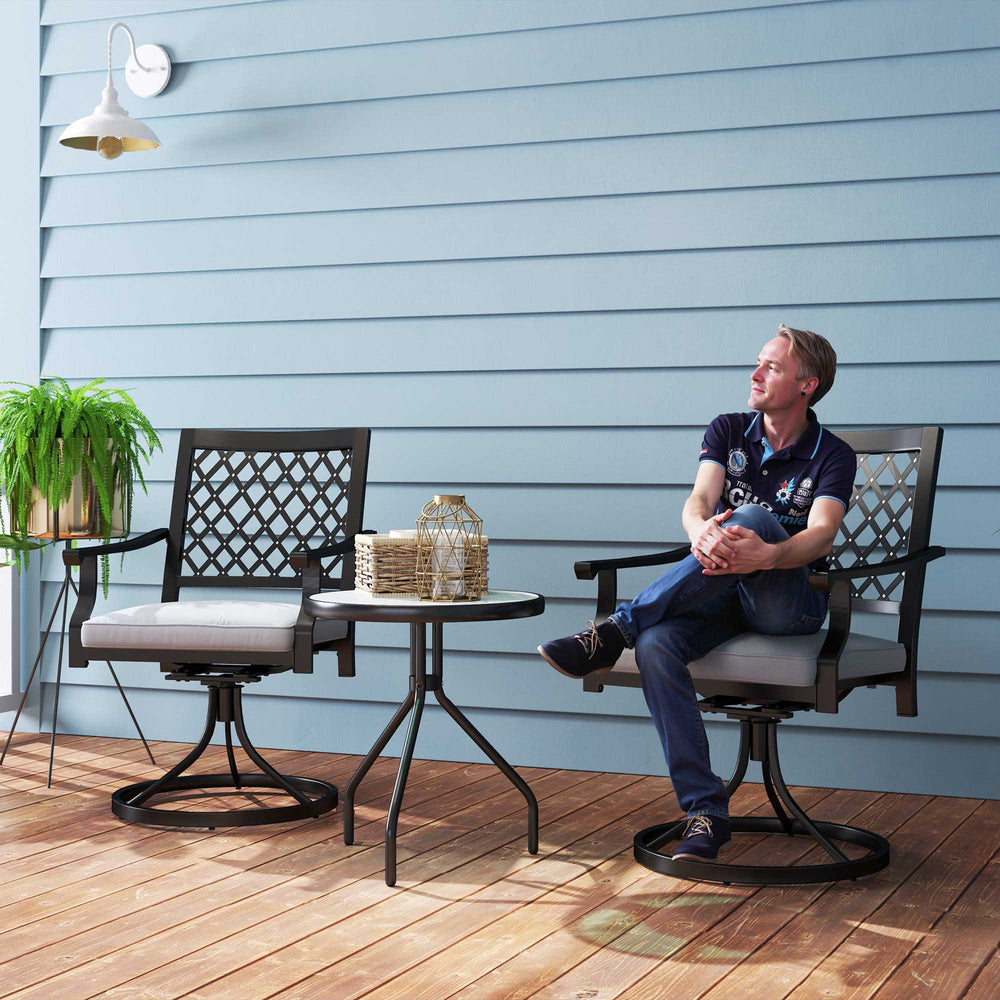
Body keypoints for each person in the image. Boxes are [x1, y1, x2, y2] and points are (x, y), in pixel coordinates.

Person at [538, 325, 857, 862]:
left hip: (790, 603)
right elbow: (697, 500)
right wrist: (699, 532)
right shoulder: (729, 429)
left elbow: (822, 532)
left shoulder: (834, 454)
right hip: (721, 596)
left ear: (808, 385)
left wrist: (771, 553)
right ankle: (705, 814)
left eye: (771, 368)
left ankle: (614, 629)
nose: (754, 375)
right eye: (757, 362)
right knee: (658, 643)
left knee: (752, 516)